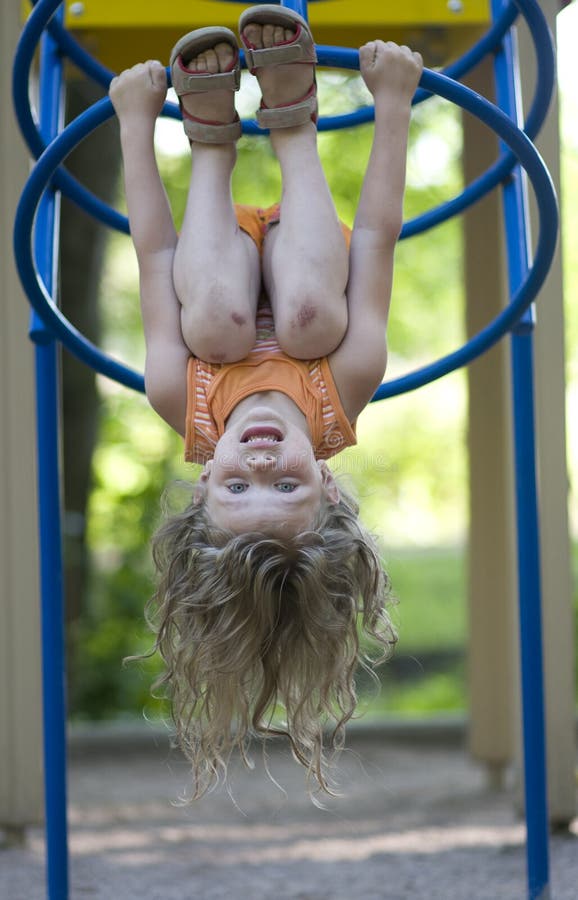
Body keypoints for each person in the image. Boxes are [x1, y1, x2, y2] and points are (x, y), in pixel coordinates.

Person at [109, 4, 423, 799]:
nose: (256, 462)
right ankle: (292, 119)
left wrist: (137, 123)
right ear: (329, 484)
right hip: (298, 244)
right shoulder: (343, 390)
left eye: (234, 487)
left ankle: (208, 132)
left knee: (213, 328)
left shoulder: (183, 399)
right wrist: (391, 107)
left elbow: (153, 257)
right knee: (315, 321)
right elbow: (378, 240)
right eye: (286, 486)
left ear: (200, 486)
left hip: (210, 253)